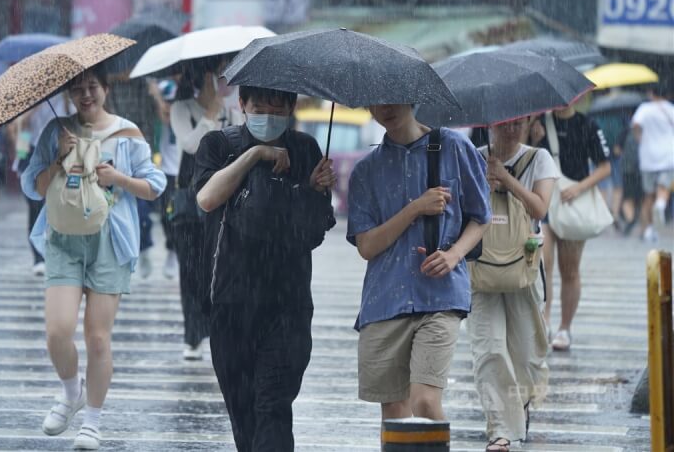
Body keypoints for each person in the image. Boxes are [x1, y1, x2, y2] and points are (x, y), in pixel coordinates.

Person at [20, 65, 166, 450]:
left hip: (110, 242)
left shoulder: (126, 133)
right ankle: (71, 391)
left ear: (105, 89)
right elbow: (32, 187)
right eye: (78, 89)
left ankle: (93, 421)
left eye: (93, 87)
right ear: (69, 94)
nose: (86, 95)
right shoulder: (56, 131)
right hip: (64, 240)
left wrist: (117, 178)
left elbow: (154, 186)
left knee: (98, 339)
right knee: (57, 332)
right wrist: (58, 159)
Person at [194, 86, 336, 451]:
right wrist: (256, 154)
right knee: (244, 420)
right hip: (231, 306)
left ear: (292, 107)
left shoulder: (305, 150)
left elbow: (313, 232)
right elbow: (207, 198)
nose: (269, 113)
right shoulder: (218, 145)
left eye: (278, 104)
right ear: (242, 104)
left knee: (273, 408)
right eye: (260, 104)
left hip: (287, 309)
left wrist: (313, 191)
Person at [346, 104, 490, 427]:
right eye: (377, 100)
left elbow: (482, 217)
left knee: (424, 401)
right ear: (368, 107)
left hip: (440, 296)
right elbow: (367, 245)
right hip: (383, 302)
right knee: (395, 415)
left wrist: (454, 255)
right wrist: (415, 209)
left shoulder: (453, 146)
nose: (387, 108)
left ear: (412, 97)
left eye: (395, 98)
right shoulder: (366, 171)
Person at [469, 117, 558, 451]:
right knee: (489, 348)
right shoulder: (473, 156)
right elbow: (462, 207)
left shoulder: (539, 158)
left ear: (530, 122)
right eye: (504, 123)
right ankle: (500, 428)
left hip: (524, 267)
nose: (511, 128)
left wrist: (507, 179)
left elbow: (540, 207)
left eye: (519, 122)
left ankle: (518, 407)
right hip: (482, 266)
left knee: (526, 354)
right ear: (490, 124)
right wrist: (484, 183)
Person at [169, 56, 243, 361]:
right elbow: (189, 145)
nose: (222, 83)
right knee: (191, 271)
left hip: (221, 202)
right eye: (217, 76)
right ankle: (193, 335)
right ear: (205, 79)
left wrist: (223, 115)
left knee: (220, 270)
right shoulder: (182, 108)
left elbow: (240, 148)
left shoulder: (232, 112)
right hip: (188, 202)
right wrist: (210, 117)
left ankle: (218, 329)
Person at [530, 105, 611, 351]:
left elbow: (605, 167)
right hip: (544, 203)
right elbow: (527, 158)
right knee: (543, 265)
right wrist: (533, 139)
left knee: (570, 270)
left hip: (572, 204)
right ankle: (544, 321)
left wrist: (579, 187)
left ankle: (565, 327)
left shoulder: (587, 125)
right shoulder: (538, 122)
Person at [11, 93, 75, 276]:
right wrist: (20, 157)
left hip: (59, 153)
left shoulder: (67, 97)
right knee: (35, 206)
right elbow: (21, 128)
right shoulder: (32, 98)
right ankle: (38, 258)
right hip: (34, 154)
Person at [631, 84, 674, 243]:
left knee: (648, 195)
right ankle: (661, 204)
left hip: (648, 156)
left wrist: (639, 137)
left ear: (651, 93)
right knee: (663, 187)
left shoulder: (645, 108)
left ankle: (648, 230)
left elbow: (635, 125)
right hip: (668, 155)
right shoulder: (670, 109)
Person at [149, 78, 181, 279]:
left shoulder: (197, 89)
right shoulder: (164, 87)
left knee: (184, 213)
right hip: (167, 166)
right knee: (166, 213)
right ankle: (172, 247)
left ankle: (178, 250)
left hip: (189, 165)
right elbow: (163, 116)